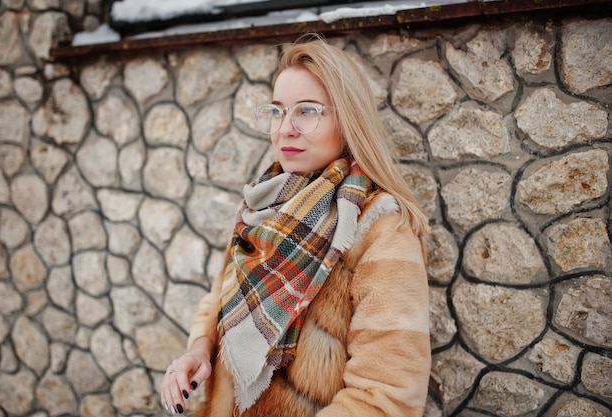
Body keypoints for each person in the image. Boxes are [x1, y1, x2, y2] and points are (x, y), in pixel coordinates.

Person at [161, 33, 431, 417]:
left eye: (306, 111)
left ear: (348, 118)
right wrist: (199, 349)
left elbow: (386, 396)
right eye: (277, 111)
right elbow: (220, 298)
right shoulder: (261, 204)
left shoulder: (380, 227)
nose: (285, 128)